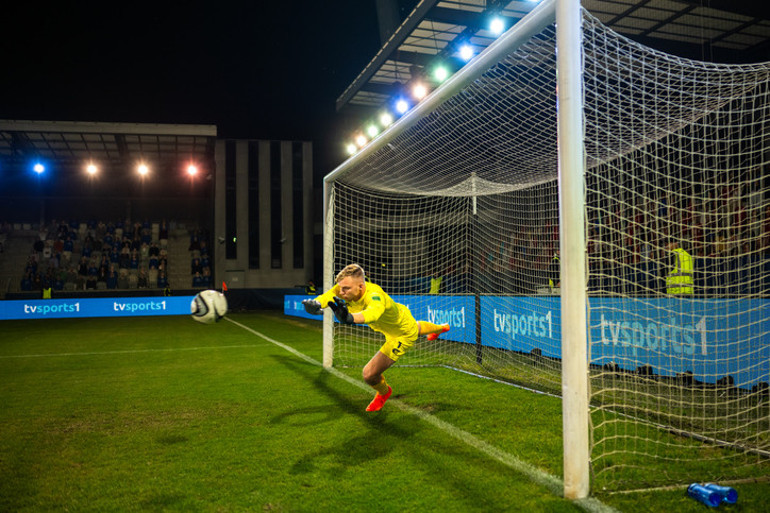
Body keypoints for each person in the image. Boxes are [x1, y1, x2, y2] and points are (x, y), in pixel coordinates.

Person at [303, 264, 450, 412]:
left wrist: (349, 317)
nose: (341, 292)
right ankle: (442, 327)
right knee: (415, 327)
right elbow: (328, 295)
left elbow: (372, 314)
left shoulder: (375, 295)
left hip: (400, 335)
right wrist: (316, 303)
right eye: (340, 288)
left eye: (345, 289)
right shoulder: (345, 289)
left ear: (360, 286)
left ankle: (384, 392)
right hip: (399, 319)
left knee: (369, 374)